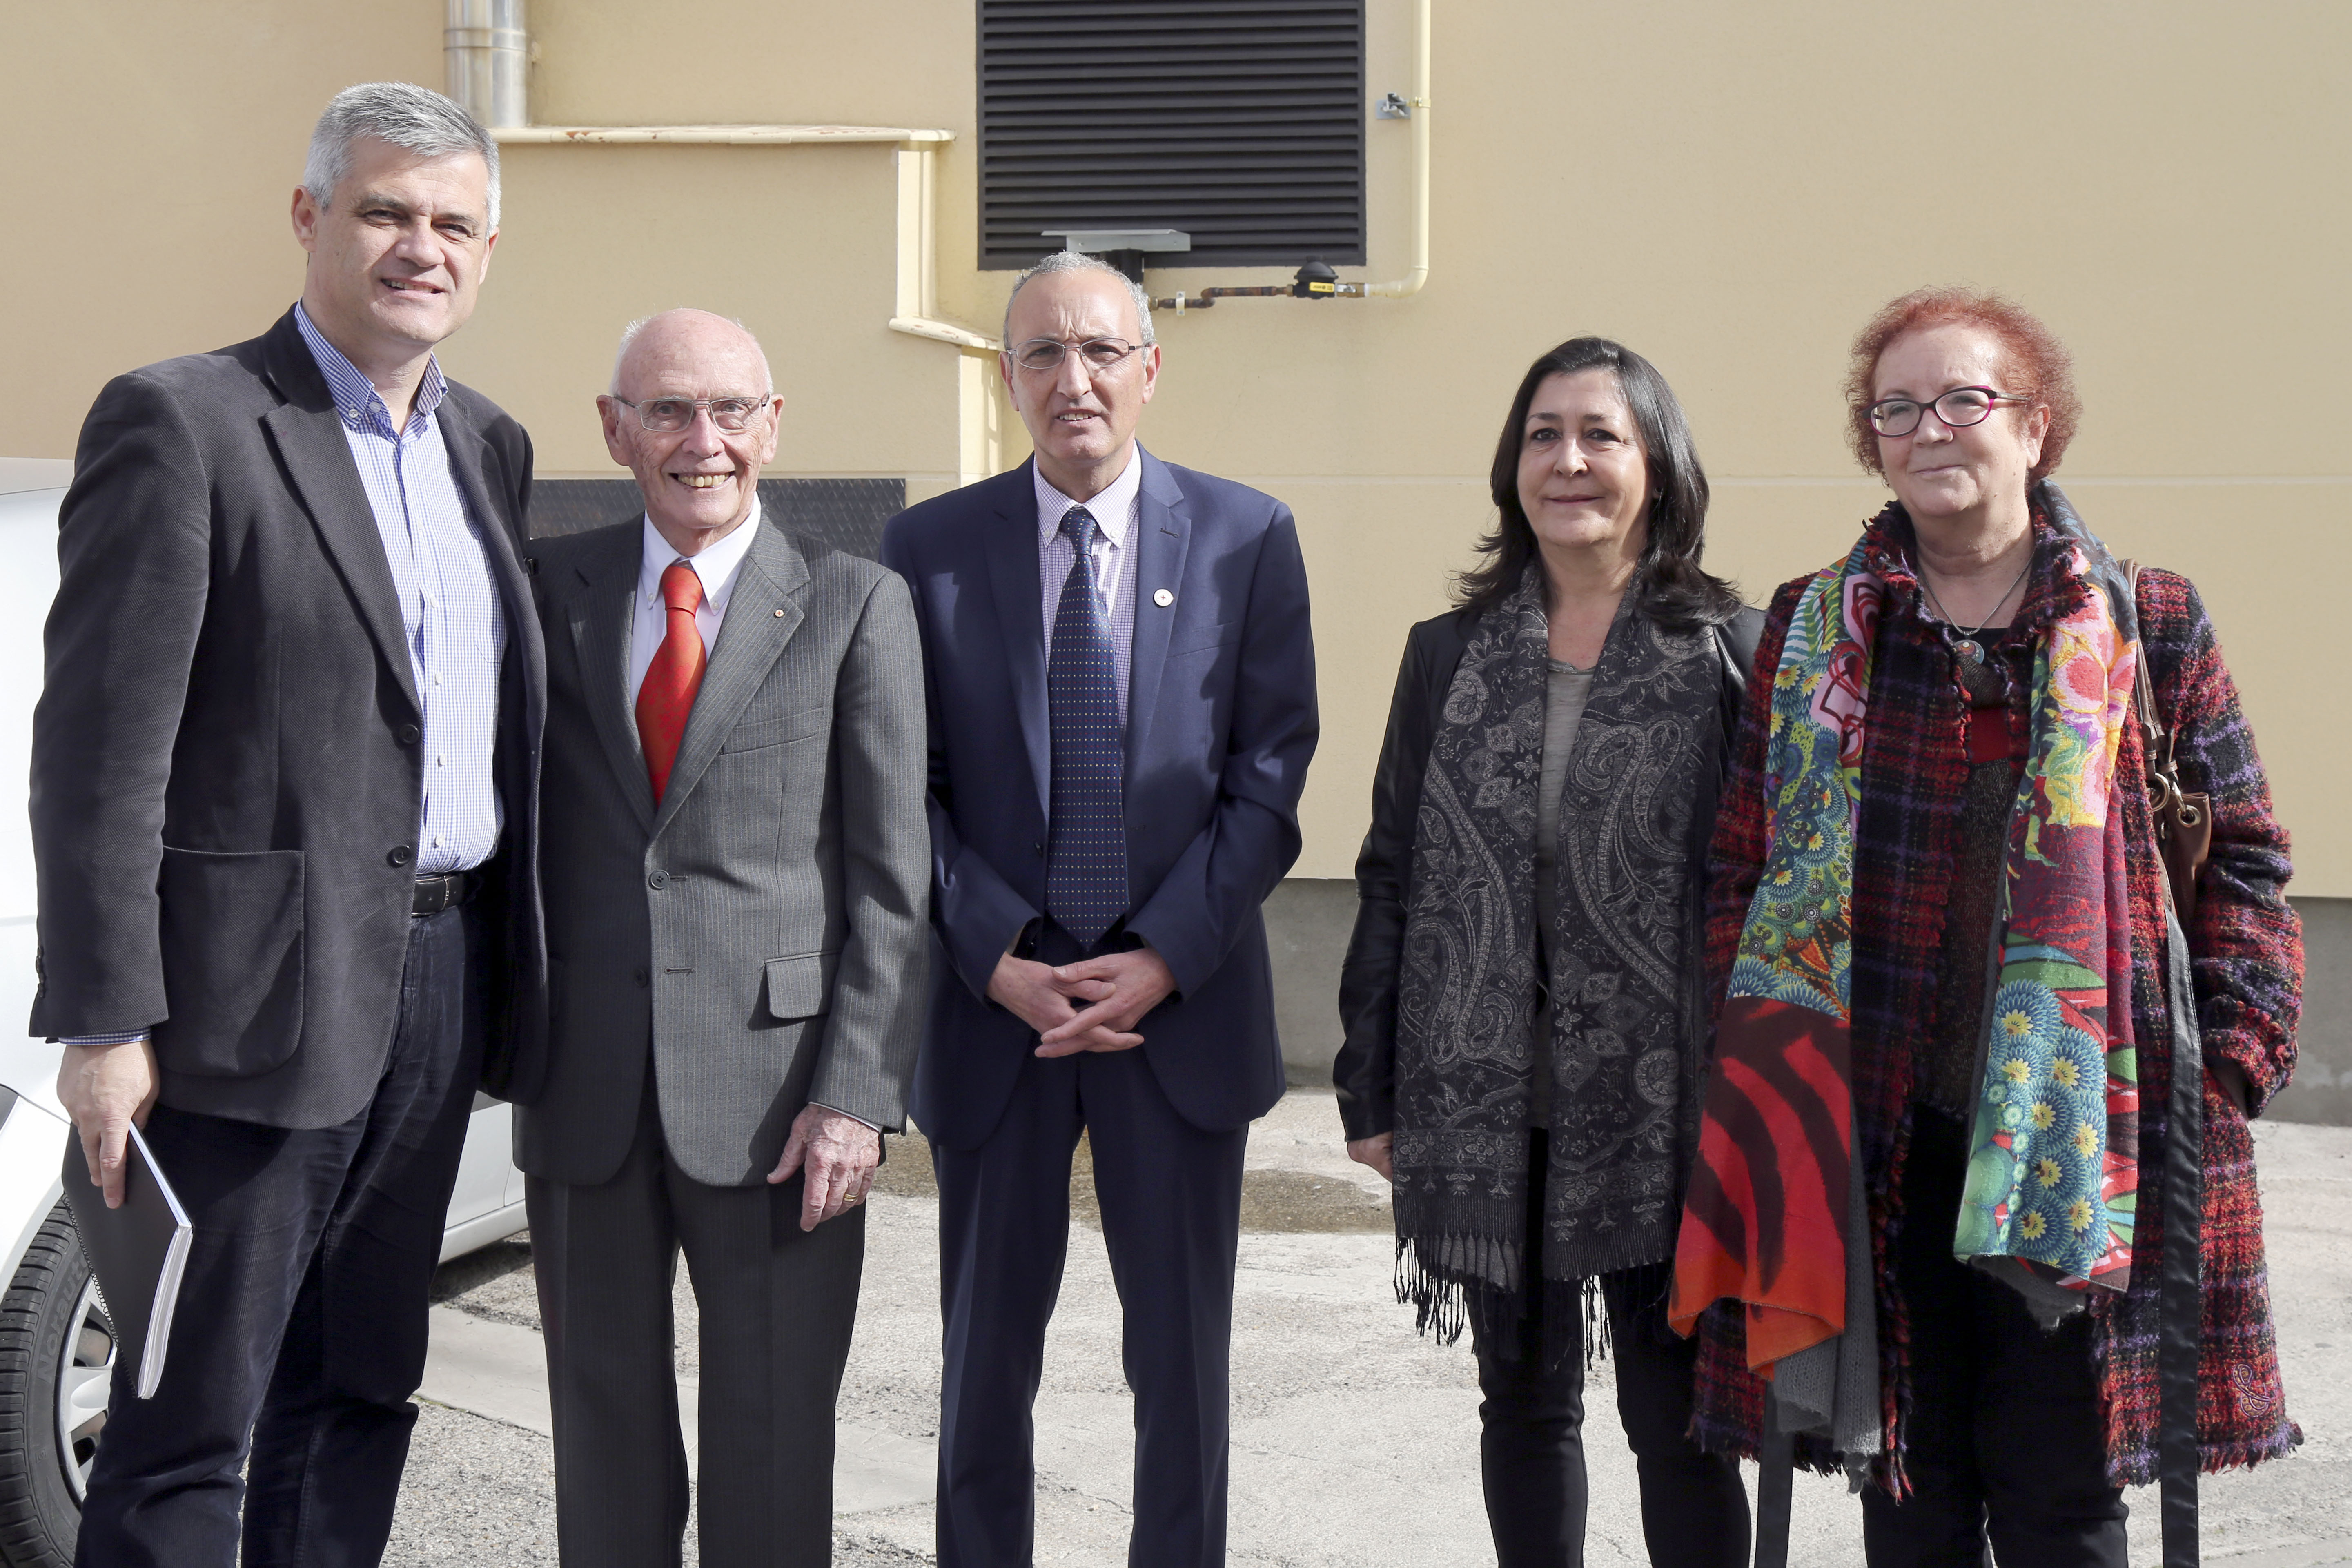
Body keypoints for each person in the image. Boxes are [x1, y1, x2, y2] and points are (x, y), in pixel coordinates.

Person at [1673, 287, 2302, 1567]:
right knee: (1908, 1495)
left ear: (2035, 427)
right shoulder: (1817, 626)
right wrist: (1764, 1065)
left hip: (2092, 1128)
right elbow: (1744, 860)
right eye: (1895, 409)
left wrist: (2227, 1068)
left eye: (1965, 399)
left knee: (2064, 1500)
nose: (1929, 429)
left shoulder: (2146, 619)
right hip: (1870, 1127)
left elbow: (2245, 857)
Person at [29, 83, 544, 1566]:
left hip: (440, 985)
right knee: (188, 1421)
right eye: (384, 212)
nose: (420, 247)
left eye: (453, 224)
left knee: (362, 1392)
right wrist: (106, 1021)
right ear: (310, 216)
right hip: (242, 1009)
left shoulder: (489, 447)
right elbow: (98, 754)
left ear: (489, 250)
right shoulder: (185, 421)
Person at [879, 250, 1318, 1568]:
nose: (1073, 380)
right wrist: (997, 954)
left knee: (1180, 1372)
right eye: (1042, 354)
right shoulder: (929, 549)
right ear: (1007, 378)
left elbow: (1271, 776)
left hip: (1173, 1016)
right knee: (981, 1367)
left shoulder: (1247, 537)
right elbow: (903, 785)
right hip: (997, 1015)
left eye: (1100, 351)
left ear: (1149, 368)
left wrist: (1164, 957)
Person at [510, 308, 929, 1566]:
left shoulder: (855, 604)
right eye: (671, 411)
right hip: (585, 1086)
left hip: (782, 1100)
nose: (705, 441)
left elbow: (893, 881)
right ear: (615, 430)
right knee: (601, 1446)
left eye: (731, 410)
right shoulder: (550, 589)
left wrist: (856, 1097)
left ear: (773, 425)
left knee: (774, 1441)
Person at [1334, 338, 1756, 1568]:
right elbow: (1394, 866)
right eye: (1542, 435)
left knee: (1677, 1423)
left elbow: (1772, 889)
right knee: (1522, 1406)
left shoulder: (1732, 646)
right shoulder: (1450, 652)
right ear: (1511, 467)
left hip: (1669, 1106)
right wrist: (1371, 1080)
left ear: (1658, 466)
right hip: (1489, 1099)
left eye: (1600, 435)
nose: (1568, 461)